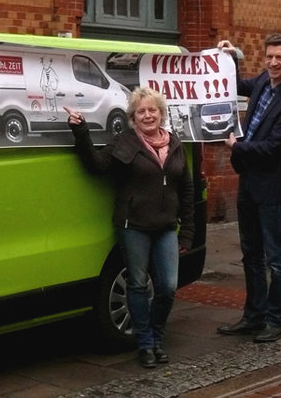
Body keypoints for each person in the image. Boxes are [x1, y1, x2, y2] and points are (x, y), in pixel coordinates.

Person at [65, 87, 194, 369]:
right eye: (141, 112)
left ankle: (157, 337)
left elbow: (186, 189)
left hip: (166, 227)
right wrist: (81, 132)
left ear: (161, 113)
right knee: (137, 284)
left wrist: (187, 232)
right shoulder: (126, 142)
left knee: (168, 287)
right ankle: (146, 344)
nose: (147, 116)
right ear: (133, 117)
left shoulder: (175, 144)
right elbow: (98, 166)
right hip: (133, 225)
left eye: (152, 110)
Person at [216, 34, 281, 343]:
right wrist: (229, 58)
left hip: (272, 188)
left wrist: (236, 147)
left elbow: (272, 148)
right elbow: (238, 85)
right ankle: (253, 316)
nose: (273, 62)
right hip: (249, 183)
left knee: (276, 258)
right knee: (250, 254)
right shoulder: (263, 83)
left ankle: (274, 320)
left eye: (280, 57)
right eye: (269, 56)